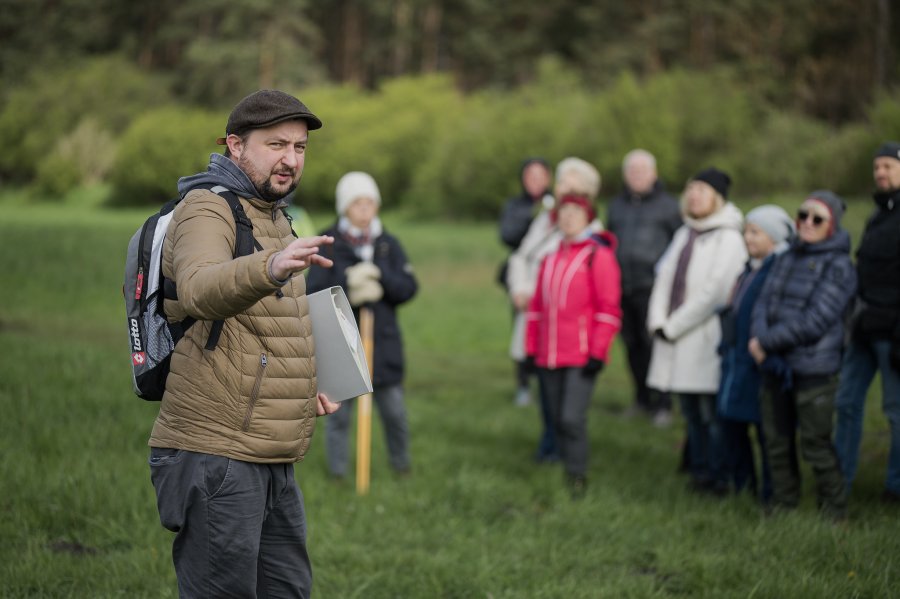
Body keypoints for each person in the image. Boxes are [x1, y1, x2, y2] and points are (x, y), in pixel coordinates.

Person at [147, 89, 340, 598]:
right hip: (216, 452)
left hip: (269, 451)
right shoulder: (207, 208)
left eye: (299, 148)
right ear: (235, 145)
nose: (290, 159)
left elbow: (258, 329)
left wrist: (303, 384)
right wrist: (271, 266)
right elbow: (201, 288)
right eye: (276, 144)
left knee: (287, 591)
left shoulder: (273, 215)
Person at [750, 190, 856, 520]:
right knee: (777, 440)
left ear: (832, 225)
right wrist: (758, 336)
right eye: (803, 215)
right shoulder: (785, 257)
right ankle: (783, 506)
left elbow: (817, 320)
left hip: (814, 368)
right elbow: (763, 302)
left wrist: (766, 342)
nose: (808, 223)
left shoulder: (839, 266)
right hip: (775, 366)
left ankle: (833, 512)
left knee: (816, 443)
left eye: (818, 218)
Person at [306, 171, 418, 480]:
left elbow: (409, 287)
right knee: (340, 416)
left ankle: (401, 466)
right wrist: (348, 283)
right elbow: (313, 289)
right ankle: (338, 473)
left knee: (394, 412)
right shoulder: (328, 242)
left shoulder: (387, 244)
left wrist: (382, 279)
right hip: (342, 343)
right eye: (358, 203)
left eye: (371, 202)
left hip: (383, 343)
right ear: (345, 207)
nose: (366, 209)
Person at [646, 168, 747, 494]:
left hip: (703, 336)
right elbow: (662, 277)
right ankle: (699, 471)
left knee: (710, 413)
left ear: (717, 197)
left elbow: (715, 292)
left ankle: (720, 477)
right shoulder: (685, 233)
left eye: (701, 190)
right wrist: (657, 319)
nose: (693, 196)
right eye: (690, 190)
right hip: (675, 335)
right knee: (689, 411)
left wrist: (673, 325)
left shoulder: (729, 237)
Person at [524, 190, 622, 497]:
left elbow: (609, 308)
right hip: (548, 354)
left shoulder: (598, 255)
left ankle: (577, 476)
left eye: (575, 213)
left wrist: (598, 351)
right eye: (563, 213)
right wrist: (530, 349)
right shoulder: (550, 258)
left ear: (588, 218)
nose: (568, 218)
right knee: (555, 417)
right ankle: (564, 468)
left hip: (581, 354)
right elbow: (536, 307)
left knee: (571, 417)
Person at [507, 157, 603, 463]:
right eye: (560, 182)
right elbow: (520, 256)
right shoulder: (545, 220)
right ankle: (550, 441)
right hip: (536, 314)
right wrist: (520, 289)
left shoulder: (590, 230)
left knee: (565, 394)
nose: (559, 188)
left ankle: (564, 449)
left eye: (567, 183)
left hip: (569, 326)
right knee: (545, 383)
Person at [835, 141, 900, 504]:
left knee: (896, 412)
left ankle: (896, 487)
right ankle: (838, 481)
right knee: (845, 403)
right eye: (877, 168)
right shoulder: (878, 215)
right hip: (864, 328)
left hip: (893, 333)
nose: (881, 173)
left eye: (889, 166)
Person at [716, 205, 795, 502]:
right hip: (736, 360)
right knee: (731, 424)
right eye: (746, 231)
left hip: (762, 363)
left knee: (767, 431)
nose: (748, 238)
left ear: (773, 237)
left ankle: (772, 495)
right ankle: (742, 485)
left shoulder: (780, 270)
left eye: (755, 232)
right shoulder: (749, 269)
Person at [606, 149, 682, 426]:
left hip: (653, 287)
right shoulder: (616, 206)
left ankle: (662, 402)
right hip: (621, 287)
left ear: (654, 173)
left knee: (655, 347)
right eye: (632, 171)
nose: (636, 176)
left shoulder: (669, 206)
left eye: (642, 171)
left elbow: (678, 246)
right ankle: (641, 399)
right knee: (632, 345)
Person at [498, 158, 554, 407]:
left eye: (540, 175)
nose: (535, 181)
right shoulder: (515, 205)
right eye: (530, 176)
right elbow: (507, 235)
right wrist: (533, 221)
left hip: (550, 276)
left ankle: (545, 381)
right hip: (522, 276)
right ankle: (523, 384)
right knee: (521, 330)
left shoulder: (558, 204)